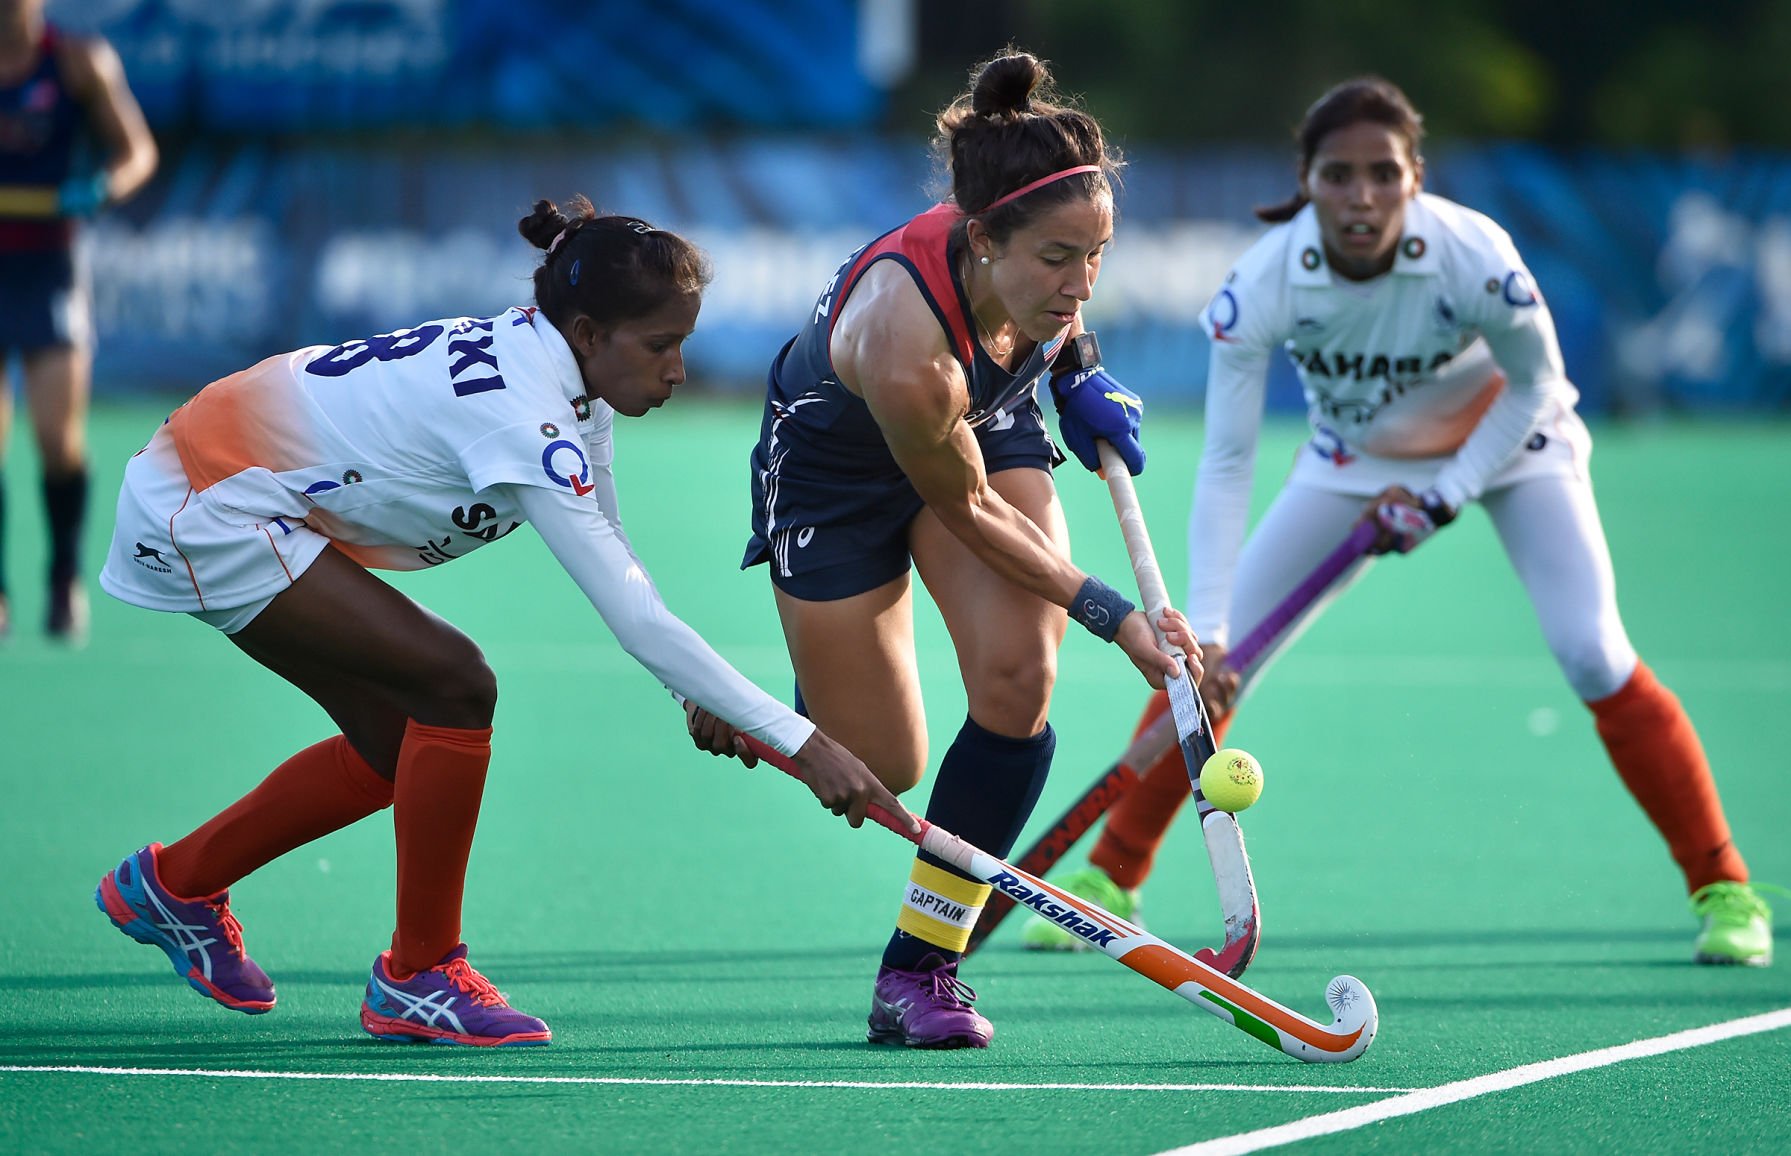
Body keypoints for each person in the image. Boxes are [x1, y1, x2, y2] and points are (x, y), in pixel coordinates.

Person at [93, 197, 914, 1048]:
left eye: (684, 345)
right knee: (453, 686)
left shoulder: (568, 376)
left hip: (232, 485)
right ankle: (419, 973)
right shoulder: (527, 413)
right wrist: (805, 744)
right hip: (206, 501)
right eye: (661, 346)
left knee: (394, 744)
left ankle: (176, 885)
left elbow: (619, 563)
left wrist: (693, 696)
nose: (678, 371)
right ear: (590, 333)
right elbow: (633, 614)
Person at [1020, 76, 1776, 967]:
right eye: (1338, 175)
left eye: (1383, 173)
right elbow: (1226, 462)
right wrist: (1216, 631)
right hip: (1352, 461)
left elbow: (1538, 386)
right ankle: (1111, 876)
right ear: (1308, 181)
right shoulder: (1263, 282)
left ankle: (1722, 885)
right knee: (1204, 664)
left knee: (1591, 651)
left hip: (1514, 443)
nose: (1361, 196)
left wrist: (1446, 490)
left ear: (1414, 176)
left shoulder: (1471, 253)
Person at [684, 49, 1202, 1051]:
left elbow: (1058, 292)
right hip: (837, 473)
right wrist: (1117, 616)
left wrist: (1078, 369)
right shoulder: (904, 345)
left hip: (983, 417)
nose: (1080, 279)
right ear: (983, 242)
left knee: (1018, 682)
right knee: (882, 762)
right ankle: (762, 715)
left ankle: (919, 968)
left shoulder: (1038, 250)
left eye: (1097, 255)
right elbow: (969, 514)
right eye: (1058, 260)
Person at [0, 0, 157, 641]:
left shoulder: (76, 63)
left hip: (51, 269)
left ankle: (63, 577)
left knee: (57, 443)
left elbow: (136, 153)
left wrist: (102, 187)